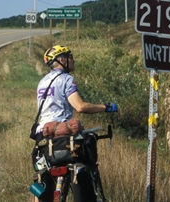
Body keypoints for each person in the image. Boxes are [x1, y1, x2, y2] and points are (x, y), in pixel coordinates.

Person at [32, 45, 118, 202]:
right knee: (84, 167)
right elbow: (80, 106)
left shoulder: (42, 81)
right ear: (62, 60)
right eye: (70, 56)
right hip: (62, 139)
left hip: (42, 138)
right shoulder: (67, 79)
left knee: (41, 178)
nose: (73, 59)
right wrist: (106, 107)